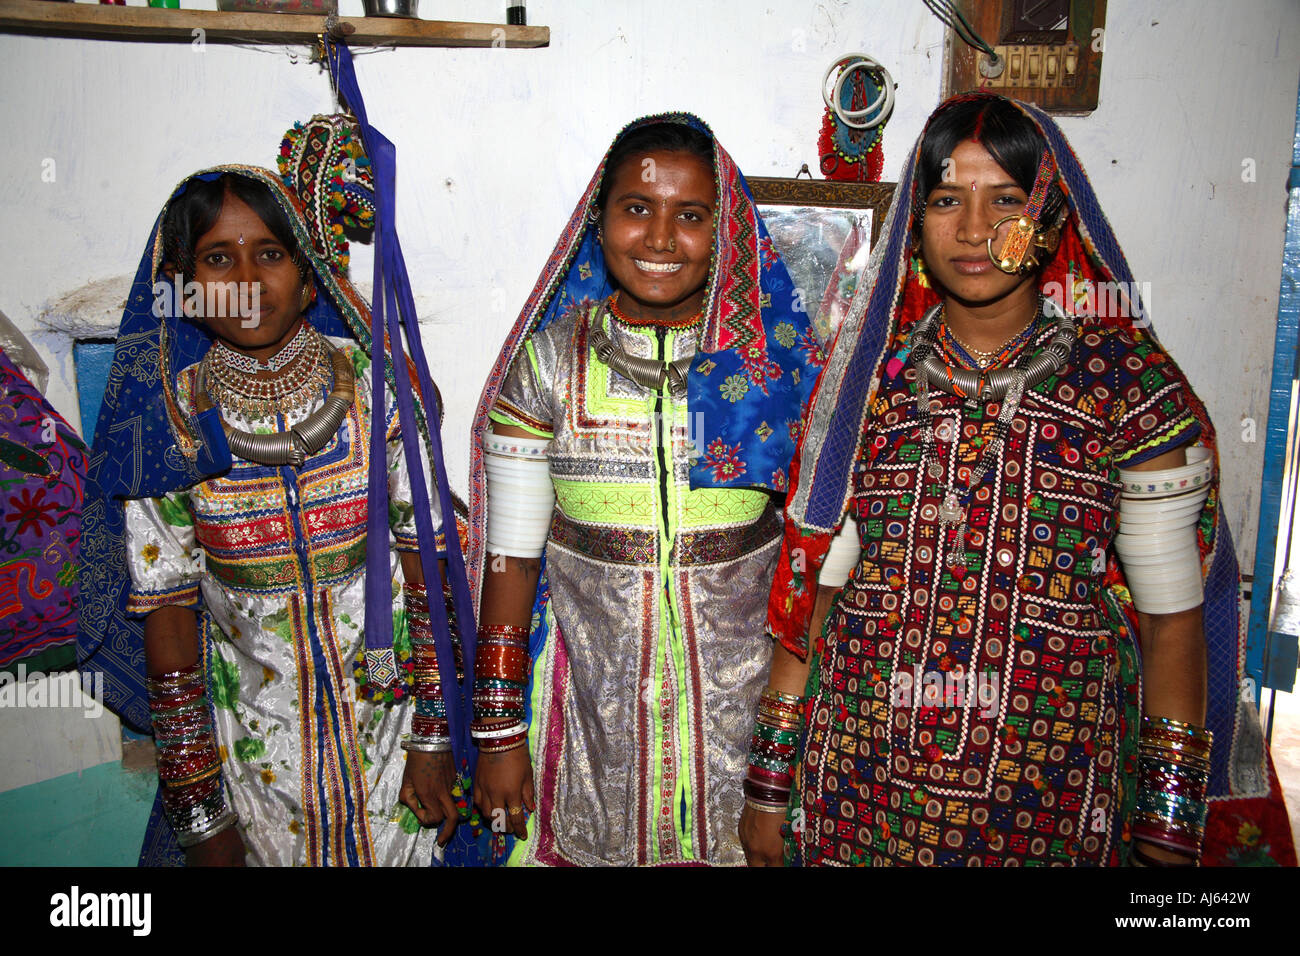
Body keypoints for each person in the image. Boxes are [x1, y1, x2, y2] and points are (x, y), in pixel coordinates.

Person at [743, 93, 1295, 866]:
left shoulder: (1126, 387)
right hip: (859, 782)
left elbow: (1172, 621)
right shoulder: (867, 386)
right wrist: (771, 780)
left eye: (1006, 199)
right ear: (914, 220)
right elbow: (815, 594)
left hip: (1048, 790)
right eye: (946, 200)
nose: (973, 230)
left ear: (1054, 220)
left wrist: (1167, 831)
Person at [77, 166, 465, 866]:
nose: (247, 278)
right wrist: (201, 815)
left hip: (393, 745)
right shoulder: (167, 426)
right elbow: (168, 622)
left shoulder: (381, 392)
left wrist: (435, 743)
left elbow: (429, 570)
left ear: (310, 277)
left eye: (270, 253)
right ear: (182, 287)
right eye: (218, 258)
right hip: (252, 766)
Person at [467, 115, 824, 865]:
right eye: (637, 208)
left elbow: (814, 575)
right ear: (598, 223)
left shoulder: (771, 370)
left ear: (723, 231)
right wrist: (499, 735)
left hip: (747, 737)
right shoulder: (548, 366)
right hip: (589, 735)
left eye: (690, 216)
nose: (661, 239)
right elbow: (511, 560)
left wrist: (775, 771)